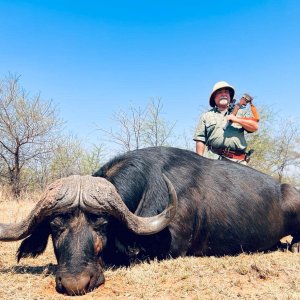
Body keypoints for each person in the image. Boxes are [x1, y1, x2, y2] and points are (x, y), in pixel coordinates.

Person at [193, 81, 259, 164]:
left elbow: (254, 127)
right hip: (212, 161)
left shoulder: (241, 112)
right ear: (214, 97)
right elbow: (200, 140)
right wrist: (200, 163)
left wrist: (237, 120)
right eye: (220, 92)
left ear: (230, 96)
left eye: (226, 92)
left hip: (237, 161)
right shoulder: (206, 116)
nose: (223, 94)